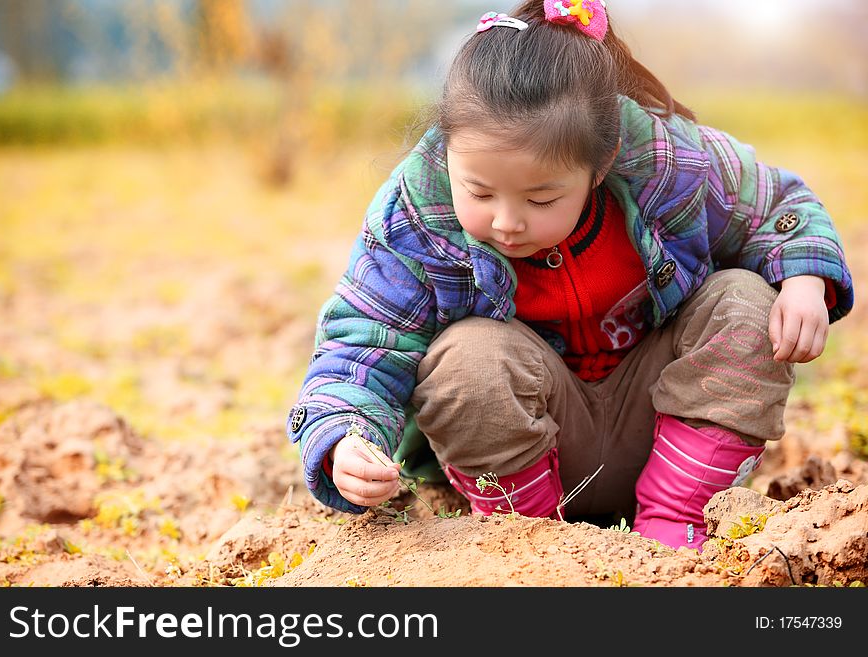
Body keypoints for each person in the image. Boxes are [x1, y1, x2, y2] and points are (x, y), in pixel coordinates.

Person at [285, 0, 854, 551]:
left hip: (662, 423)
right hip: (516, 450)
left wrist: (803, 279)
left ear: (600, 164)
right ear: (449, 152)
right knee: (466, 355)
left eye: (541, 197)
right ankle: (532, 542)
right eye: (479, 192)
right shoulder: (417, 211)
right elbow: (364, 337)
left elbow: (777, 204)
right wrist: (344, 435)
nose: (506, 223)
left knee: (745, 302)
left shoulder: (670, 162)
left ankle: (676, 521)